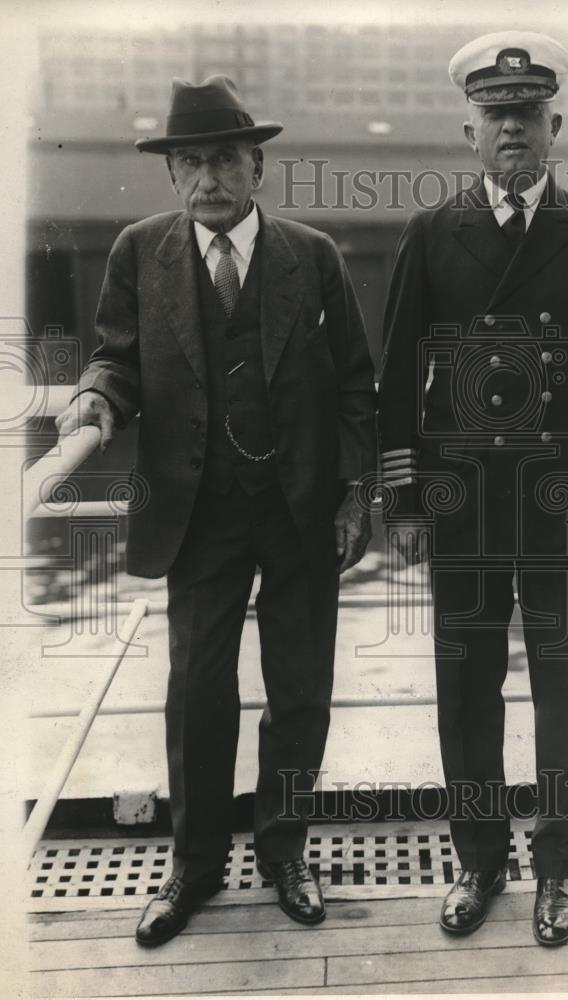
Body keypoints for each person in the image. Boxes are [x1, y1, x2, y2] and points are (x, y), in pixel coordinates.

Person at [56, 75, 377, 946]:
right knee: (198, 692)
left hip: (301, 507)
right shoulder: (138, 251)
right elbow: (115, 358)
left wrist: (356, 492)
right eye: (190, 162)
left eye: (226, 159)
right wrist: (93, 399)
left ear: (258, 165)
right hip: (196, 512)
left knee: (300, 691)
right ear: (171, 175)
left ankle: (286, 852)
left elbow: (356, 383)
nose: (209, 179)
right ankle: (193, 868)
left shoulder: (312, 256)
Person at [377, 31, 568, 946]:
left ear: (554, 125)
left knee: (563, 690)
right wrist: (406, 496)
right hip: (463, 500)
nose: (512, 131)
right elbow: (398, 376)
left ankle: (559, 868)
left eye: (527, 115)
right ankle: (480, 859)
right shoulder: (430, 232)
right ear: (469, 132)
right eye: (495, 116)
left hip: (562, 497)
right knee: (466, 687)